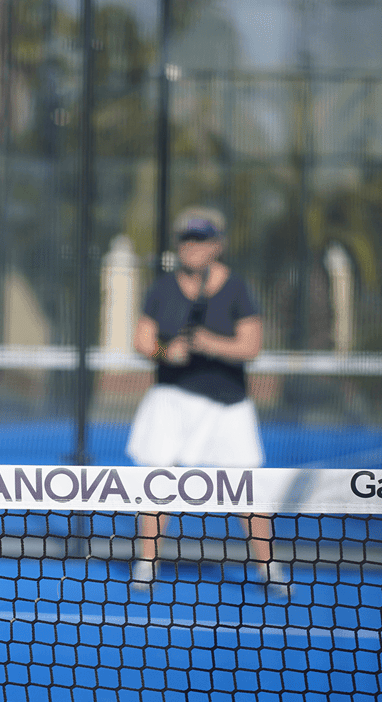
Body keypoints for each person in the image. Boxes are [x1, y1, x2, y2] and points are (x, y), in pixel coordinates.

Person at [125, 206, 286, 594]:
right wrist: (168, 352)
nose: (192, 247)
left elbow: (251, 346)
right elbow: (143, 341)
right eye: (187, 240)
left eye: (201, 240)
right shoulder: (162, 288)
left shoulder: (237, 289)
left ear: (217, 246)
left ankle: (269, 568)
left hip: (227, 404)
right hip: (171, 400)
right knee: (156, 482)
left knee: (248, 489)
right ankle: (147, 563)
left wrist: (208, 344)